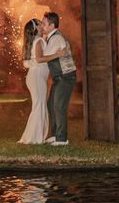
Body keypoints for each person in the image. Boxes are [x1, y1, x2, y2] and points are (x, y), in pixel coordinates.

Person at [18, 18, 64, 144]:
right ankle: (34, 138)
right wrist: (57, 55)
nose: (43, 25)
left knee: (39, 106)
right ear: (36, 28)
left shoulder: (35, 40)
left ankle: (35, 137)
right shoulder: (38, 40)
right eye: (40, 24)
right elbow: (39, 59)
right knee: (39, 106)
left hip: (35, 77)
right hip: (37, 77)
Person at [41, 11, 77, 146]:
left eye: (44, 24)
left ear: (51, 25)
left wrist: (37, 43)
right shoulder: (50, 37)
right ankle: (55, 135)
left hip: (66, 76)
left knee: (59, 106)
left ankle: (62, 139)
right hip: (59, 77)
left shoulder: (56, 38)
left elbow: (44, 56)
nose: (42, 26)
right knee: (51, 105)